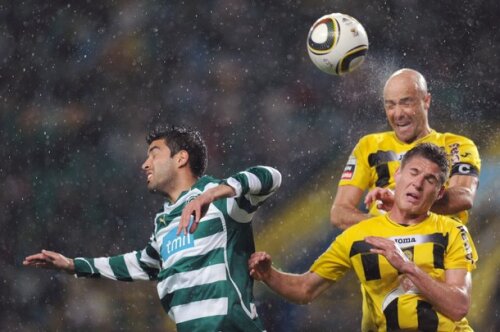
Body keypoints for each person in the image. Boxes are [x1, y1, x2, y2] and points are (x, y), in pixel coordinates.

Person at [23, 124, 282, 332]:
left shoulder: (222, 199)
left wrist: (212, 194)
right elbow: (141, 263)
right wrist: (73, 265)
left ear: (181, 158)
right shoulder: (164, 221)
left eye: (154, 154)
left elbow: (270, 176)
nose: (145, 164)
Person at [249, 143, 477, 331]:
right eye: (414, 172)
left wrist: (407, 267)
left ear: (439, 193)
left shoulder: (452, 231)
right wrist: (269, 274)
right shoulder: (359, 236)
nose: (417, 184)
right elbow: (305, 289)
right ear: (398, 174)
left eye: (430, 180)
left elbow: (458, 306)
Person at [330, 68, 481, 230]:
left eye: (406, 103)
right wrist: (386, 225)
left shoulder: (456, 145)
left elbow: (464, 196)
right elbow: (339, 213)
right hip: (385, 249)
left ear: (426, 101)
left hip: (440, 246)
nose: (398, 113)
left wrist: (400, 204)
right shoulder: (369, 146)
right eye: (391, 105)